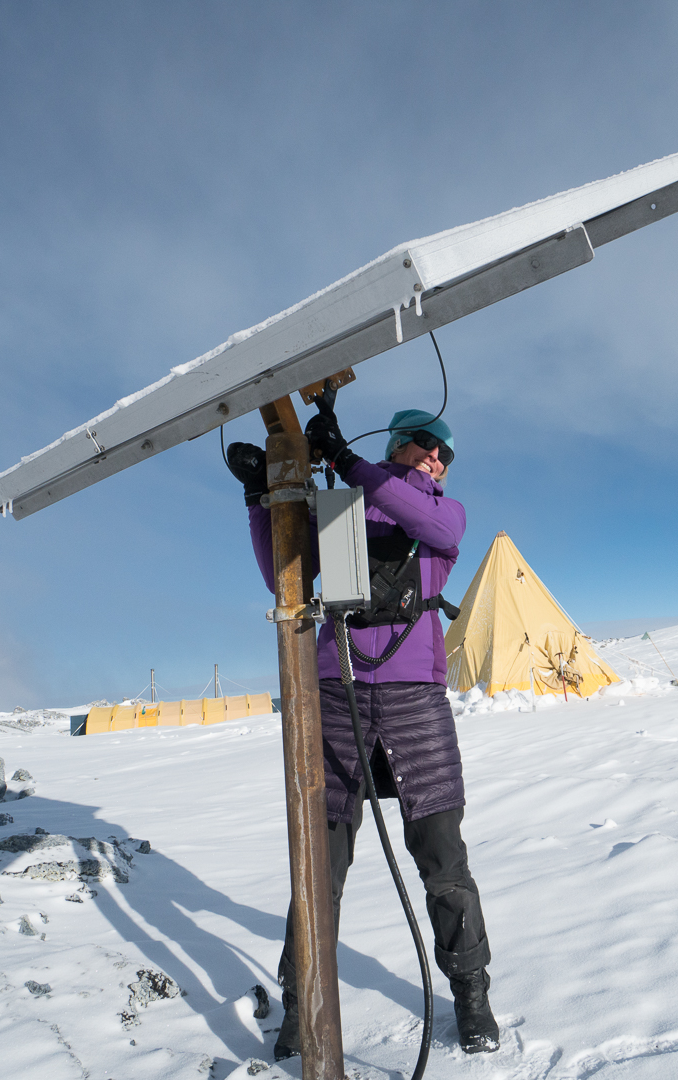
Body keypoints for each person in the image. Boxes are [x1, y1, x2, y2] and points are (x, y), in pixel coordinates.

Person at [224, 392, 500, 1058]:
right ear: (397, 444)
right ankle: (303, 1005)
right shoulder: (343, 510)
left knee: (444, 859)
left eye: (445, 453)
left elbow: (435, 528)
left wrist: (346, 458)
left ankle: (470, 994)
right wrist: (263, 500)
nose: (437, 458)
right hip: (337, 694)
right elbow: (283, 578)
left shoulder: (440, 512)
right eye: (425, 445)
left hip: (413, 699)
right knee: (320, 865)